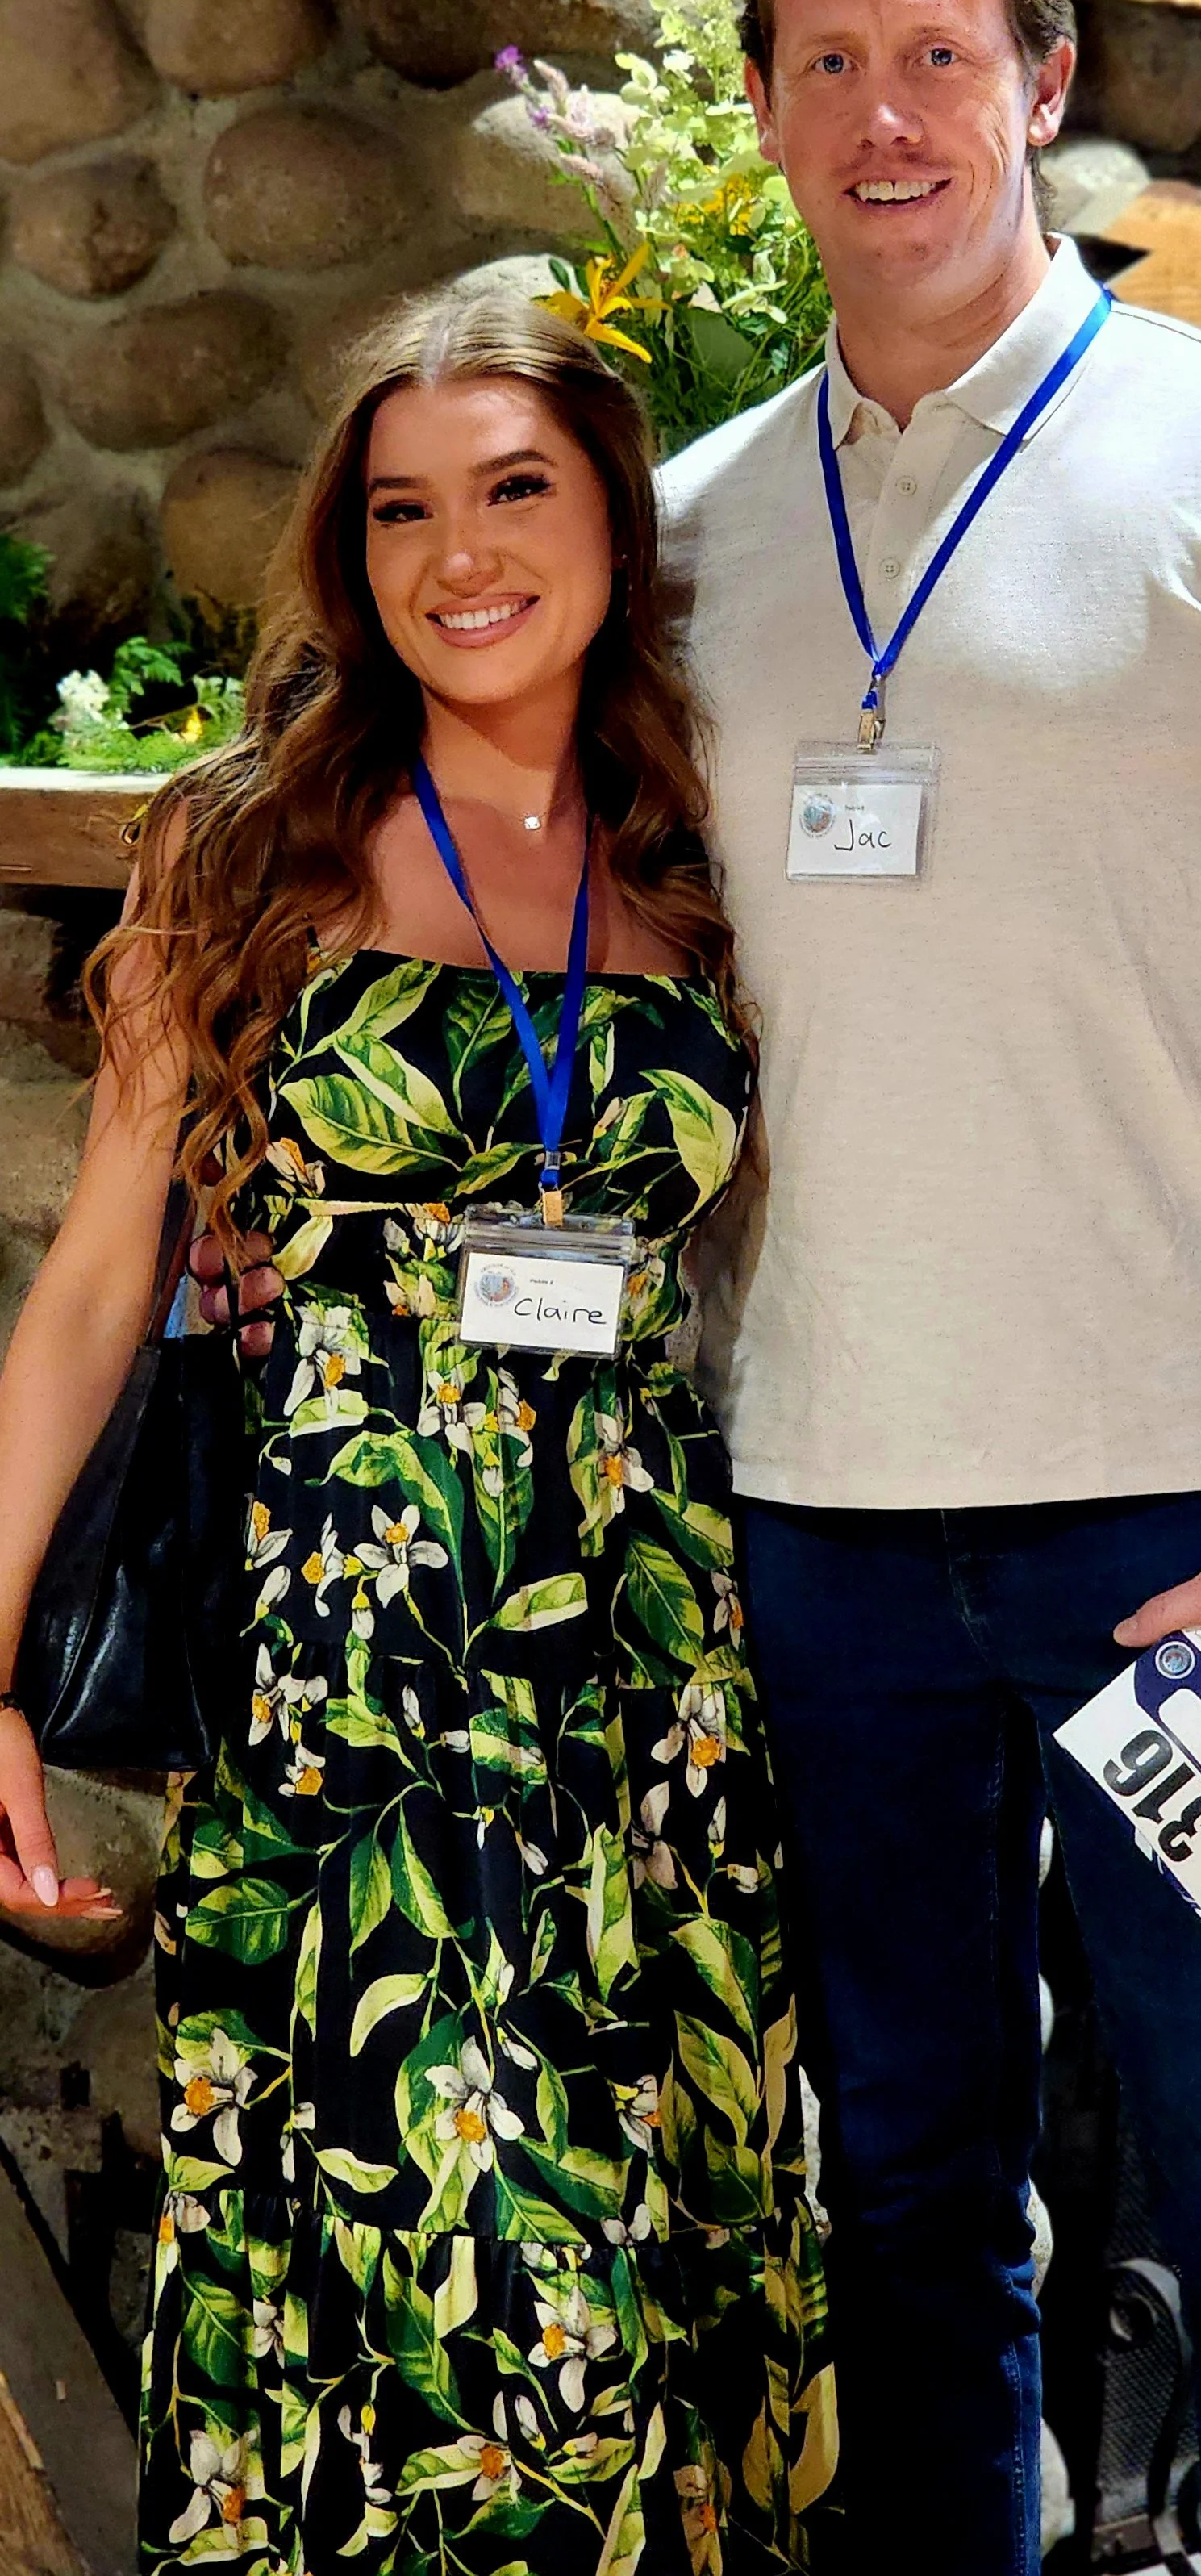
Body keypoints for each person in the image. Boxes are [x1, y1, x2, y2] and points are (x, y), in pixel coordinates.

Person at [202, 0, 1201, 2576]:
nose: (883, 115)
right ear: (771, 115)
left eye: (938, 54)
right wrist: (259, 1166)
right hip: (804, 1521)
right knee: (905, 2218)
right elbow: (475, 890)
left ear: (1041, 85)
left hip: (1189, 1534)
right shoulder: (663, 536)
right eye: (826, 63)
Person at [0, 287, 836, 2574]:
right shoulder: (251, 843)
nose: (455, 555)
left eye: (512, 490)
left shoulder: (700, 850)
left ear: (613, 520)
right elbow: (90, 1292)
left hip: (651, 1688)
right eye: (399, 509)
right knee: (449, 2276)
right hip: (359, 1670)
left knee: (654, 2268)